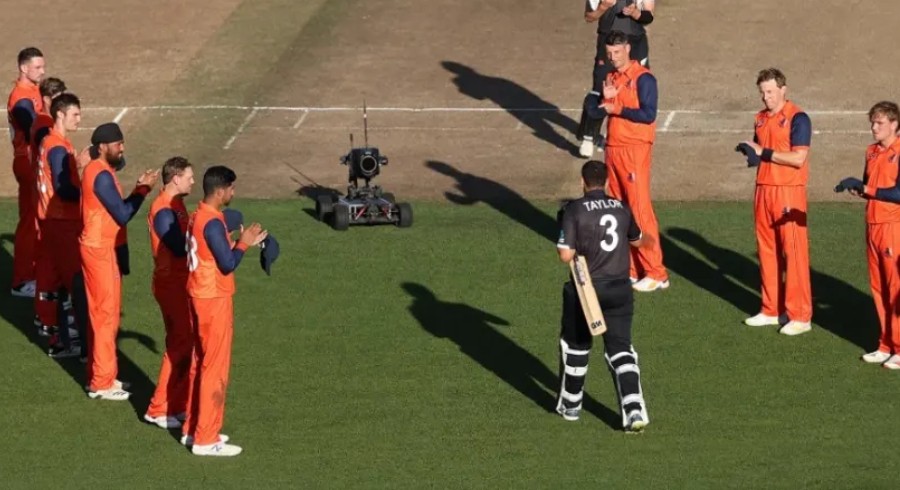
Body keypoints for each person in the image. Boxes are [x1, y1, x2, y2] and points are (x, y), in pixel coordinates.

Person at [555, 159, 652, 432]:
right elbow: (636, 240)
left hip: (586, 289)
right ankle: (633, 410)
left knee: (576, 347)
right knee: (621, 349)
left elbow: (565, 255)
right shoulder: (621, 208)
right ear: (608, 182)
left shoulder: (574, 209)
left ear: (581, 182)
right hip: (620, 288)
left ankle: (571, 405)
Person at [181, 166, 266, 457]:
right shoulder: (212, 222)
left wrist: (234, 244)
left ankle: (193, 428)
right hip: (212, 298)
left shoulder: (198, 214)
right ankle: (206, 438)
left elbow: (212, 253)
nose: (233, 193)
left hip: (197, 294)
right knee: (214, 368)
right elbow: (228, 263)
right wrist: (244, 243)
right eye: (231, 188)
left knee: (200, 362)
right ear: (220, 190)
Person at [80, 122, 159, 400]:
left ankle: (103, 376)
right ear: (102, 146)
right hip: (99, 250)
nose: (122, 148)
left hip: (102, 247)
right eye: (117, 144)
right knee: (105, 316)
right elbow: (122, 214)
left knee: (106, 315)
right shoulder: (100, 175)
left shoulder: (101, 171)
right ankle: (101, 382)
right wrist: (142, 190)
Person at [584, 31, 667, 292]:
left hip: (634, 150)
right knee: (620, 210)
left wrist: (616, 108)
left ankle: (656, 272)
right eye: (609, 53)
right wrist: (603, 100)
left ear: (628, 49)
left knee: (640, 210)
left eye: (617, 53)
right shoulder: (611, 78)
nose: (613, 58)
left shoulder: (644, 79)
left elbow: (648, 114)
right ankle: (633, 269)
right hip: (614, 148)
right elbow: (596, 111)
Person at [735, 68, 812, 336]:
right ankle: (771, 309)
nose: (766, 97)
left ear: (783, 90)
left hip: (788, 192)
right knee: (767, 252)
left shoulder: (798, 118)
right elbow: (759, 152)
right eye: (762, 92)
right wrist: (750, 153)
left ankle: (800, 315)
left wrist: (763, 152)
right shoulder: (759, 119)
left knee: (793, 254)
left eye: (770, 91)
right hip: (763, 190)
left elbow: (798, 158)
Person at [834, 101, 900, 368]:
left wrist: (868, 190)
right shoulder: (871, 152)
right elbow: (870, 186)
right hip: (872, 226)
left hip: (893, 229)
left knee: (896, 288)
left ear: (894, 125)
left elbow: (898, 194)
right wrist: (858, 189)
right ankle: (885, 344)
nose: (874, 128)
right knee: (879, 288)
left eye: (879, 123)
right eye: (872, 123)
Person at [36, 93, 89, 358]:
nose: (79, 119)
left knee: (58, 284)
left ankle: (60, 341)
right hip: (62, 223)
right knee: (77, 284)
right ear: (60, 114)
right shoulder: (58, 147)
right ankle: (84, 348)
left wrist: (75, 166)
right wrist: (89, 188)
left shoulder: (50, 143)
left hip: (50, 222)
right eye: (75, 114)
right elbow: (63, 189)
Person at [144, 157, 195, 428]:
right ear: (175, 178)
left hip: (179, 282)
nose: (192, 181)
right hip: (170, 284)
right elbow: (177, 245)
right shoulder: (164, 209)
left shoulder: (176, 205)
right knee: (179, 343)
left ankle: (175, 405)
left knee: (184, 343)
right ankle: (158, 408)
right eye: (189, 176)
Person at [578, 0, 655, 158]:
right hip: (608, 39)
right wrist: (604, 7)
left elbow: (649, 16)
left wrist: (635, 13)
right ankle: (588, 135)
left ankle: (620, 134)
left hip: (635, 41)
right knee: (601, 87)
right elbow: (589, 17)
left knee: (636, 85)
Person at [31, 77, 69, 338]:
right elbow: (60, 180)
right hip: (53, 213)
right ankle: (50, 322)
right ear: (47, 100)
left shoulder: (41, 126)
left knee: (48, 269)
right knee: (52, 271)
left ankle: (46, 319)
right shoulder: (47, 130)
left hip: (44, 207)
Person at [7, 47, 46, 297]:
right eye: (38, 67)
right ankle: (22, 280)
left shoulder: (32, 91)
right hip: (27, 162)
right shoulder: (21, 98)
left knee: (34, 220)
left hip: (31, 161)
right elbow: (33, 127)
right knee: (30, 222)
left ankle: (30, 273)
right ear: (24, 68)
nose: (42, 72)